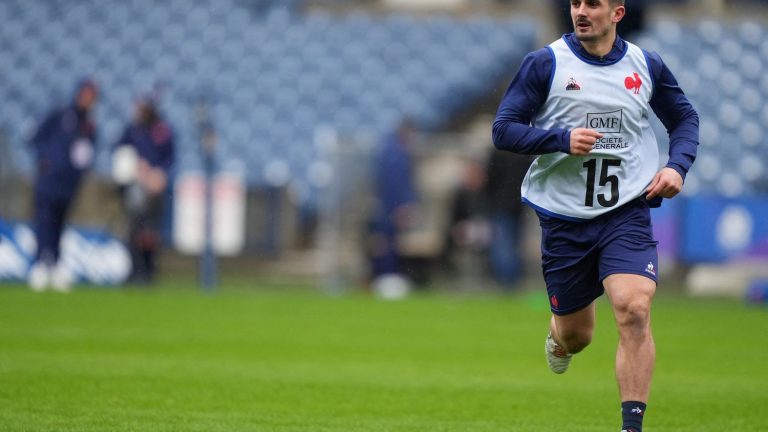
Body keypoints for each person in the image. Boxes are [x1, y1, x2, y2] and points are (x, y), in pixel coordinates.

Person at [492, 1, 698, 431]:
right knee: (578, 336)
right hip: (566, 219)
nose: (581, 11)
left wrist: (676, 166)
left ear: (617, 12)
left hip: (626, 209)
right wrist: (560, 139)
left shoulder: (646, 65)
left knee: (634, 307)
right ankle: (558, 336)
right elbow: (504, 128)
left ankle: (631, 426)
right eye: (575, 3)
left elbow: (684, 119)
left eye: (593, 4)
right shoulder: (545, 63)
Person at [27, 79, 99, 292]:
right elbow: (35, 137)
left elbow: (88, 153)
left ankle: (56, 264)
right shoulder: (60, 116)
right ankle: (41, 263)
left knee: (59, 224)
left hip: (69, 184)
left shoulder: (89, 125)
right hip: (49, 181)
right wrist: (44, 160)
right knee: (44, 221)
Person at [113, 96, 175, 284]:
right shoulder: (132, 130)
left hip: (156, 189)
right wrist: (137, 168)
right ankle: (135, 270)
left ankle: (149, 271)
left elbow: (170, 159)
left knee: (152, 233)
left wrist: (159, 175)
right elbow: (121, 152)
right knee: (134, 230)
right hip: (136, 186)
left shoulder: (163, 131)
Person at [367, 119, 418, 299]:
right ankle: (386, 279)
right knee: (388, 244)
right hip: (391, 207)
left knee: (387, 243)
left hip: (387, 206)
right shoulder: (396, 154)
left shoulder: (390, 151)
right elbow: (395, 184)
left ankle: (385, 278)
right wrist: (402, 205)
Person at [484, 149, 532, 287]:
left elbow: (490, 177)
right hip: (518, 204)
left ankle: (506, 280)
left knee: (503, 244)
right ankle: (512, 279)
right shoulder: (524, 152)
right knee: (513, 242)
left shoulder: (498, 151)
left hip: (500, 204)